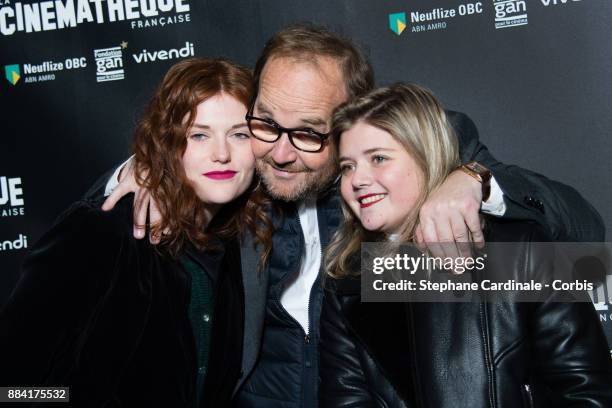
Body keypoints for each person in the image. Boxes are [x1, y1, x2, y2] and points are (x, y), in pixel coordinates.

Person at [101, 25, 604, 406]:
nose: (277, 153)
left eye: (308, 134)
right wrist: (146, 169)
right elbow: (94, 216)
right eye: (267, 124)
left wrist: (473, 180)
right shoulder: (233, 163)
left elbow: (582, 232)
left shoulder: (402, 155)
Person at [319, 83, 612, 407]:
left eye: (378, 158)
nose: (357, 179)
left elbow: (586, 394)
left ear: (425, 156)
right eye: (347, 166)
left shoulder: (519, 251)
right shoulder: (347, 280)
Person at [0, 58, 271, 407]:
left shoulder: (239, 247)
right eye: (198, 135)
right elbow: (11, 387)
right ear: (168, 143)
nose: (222, 154)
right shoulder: (102, 233)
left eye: (239, 134)